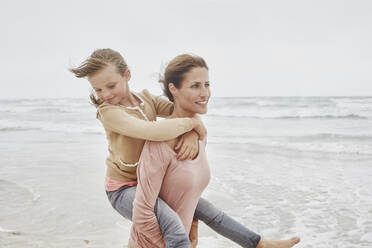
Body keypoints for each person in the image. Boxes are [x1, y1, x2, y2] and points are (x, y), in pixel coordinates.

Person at [70, 48, 300, 248]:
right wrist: (192, 126)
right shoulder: (109, 112)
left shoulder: (146, 99)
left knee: (212, 213)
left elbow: (181, 109)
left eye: (111, 85)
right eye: (98, 90)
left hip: (150, 180)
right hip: (123, 189)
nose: (106, 95)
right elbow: (150, 131)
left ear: (127, 75)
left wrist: (191, 131)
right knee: (176, 232)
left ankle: (258, 243)